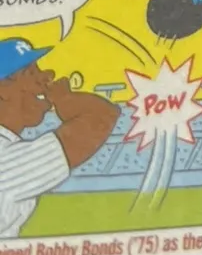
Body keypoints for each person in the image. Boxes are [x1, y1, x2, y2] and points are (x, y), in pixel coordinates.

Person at [0, 37, 117, 239]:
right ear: (3, 90)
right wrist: (65, 99)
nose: (47, 76)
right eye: (31, 73)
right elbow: (101, 115)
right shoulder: (6, 159)